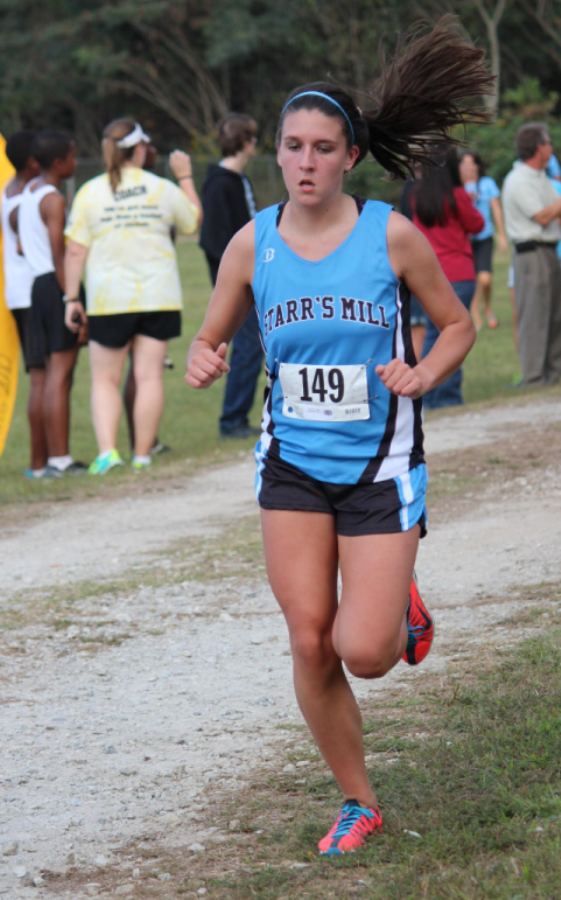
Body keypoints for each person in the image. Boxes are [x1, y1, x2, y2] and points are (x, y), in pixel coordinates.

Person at [186, 20, 489, 857]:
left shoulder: (388, 234)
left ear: (349, 155)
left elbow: (455, 324)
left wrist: (423, 376)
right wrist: (204, 360)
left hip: (379, 464)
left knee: (365, 652)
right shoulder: (252, 246)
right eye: (292, 146)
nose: (306, 161)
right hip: (291, 464)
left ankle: (394, 605)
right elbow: (209, 335)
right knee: (310, 636)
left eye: (323, 147)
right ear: (274, 155)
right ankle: (358, 801)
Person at [63, 118, 202, 474]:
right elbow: (192, 221)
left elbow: (76, 251)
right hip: (159, 295)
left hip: (110, 300)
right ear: (139, 149)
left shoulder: (91, 192)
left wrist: (71, 299)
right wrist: (185, 177)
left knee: (105, 380)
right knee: (149, 377)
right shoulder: (160, 187)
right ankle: (142, 454)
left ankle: (108, 453)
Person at [17, 129, 85, 477]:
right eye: (73, 156)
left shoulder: (27, 192)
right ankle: (60, 458)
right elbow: (59, 253)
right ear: (59, 162)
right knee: (60, 376)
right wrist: (71, 298)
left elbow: (18, 240)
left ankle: (39, 463)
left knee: (43, 377)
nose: (76, 162)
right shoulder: (53, 198)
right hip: (54, 285)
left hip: (35, 285)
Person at [199, 113, 263, 438]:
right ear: (245, 142)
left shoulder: (240, 182)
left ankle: (239, 416)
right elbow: (212, 240)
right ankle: (232, 420)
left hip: (256, 278)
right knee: (249, 344)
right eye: (252, 138)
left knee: (256, 344)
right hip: (240, 282)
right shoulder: (219, 185)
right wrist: (233, 277)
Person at [412, 148, 484, 408]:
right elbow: (477, 224)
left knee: (433, 334)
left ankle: (429, 392)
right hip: (459, 273)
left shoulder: (419, 198)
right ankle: (449, 395)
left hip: (429, 276)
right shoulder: (457, 196)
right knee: (456, 336)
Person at [502, 123, 561, 386]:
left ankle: (554, 371)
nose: (551, 148)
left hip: (548, 250)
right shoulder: (519, 179)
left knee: (555, 314)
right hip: (530, 253)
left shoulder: (541, 177)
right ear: (538, 147)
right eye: (548, 143)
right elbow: (543, 215)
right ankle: (534, 377)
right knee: (535, 315)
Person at [1, 131, 45, 476]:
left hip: (18, 293)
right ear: (33, 162)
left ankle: (42, 461)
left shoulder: (8, 191)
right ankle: (41, 461)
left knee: (39, 376)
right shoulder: (23, 200)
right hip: (33, 293)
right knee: (44, 377)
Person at [459, 150, 508, 330]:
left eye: (470, 164)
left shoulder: (487, 184)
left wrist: (502, 234)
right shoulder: (457, 187)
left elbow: (496, 208)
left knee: (485, 278)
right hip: (464, 239)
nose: (467, 168)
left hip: (485, 236)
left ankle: (486, 307)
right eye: (463, 164)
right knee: (471, 278)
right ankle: (474, 310)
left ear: (477, 166)